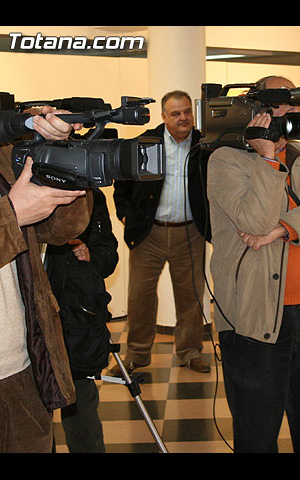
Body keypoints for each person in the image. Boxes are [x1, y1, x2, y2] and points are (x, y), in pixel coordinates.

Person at [207, 75, 300, 453]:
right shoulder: (225, 160)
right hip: (254, 318)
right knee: (257, 430)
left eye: (296, 102)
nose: (295, 110)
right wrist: (267, 158)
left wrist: (283, 229)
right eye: (285, 102)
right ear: (259, 110)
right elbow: (254, 222)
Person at [0, 107, 92, 453]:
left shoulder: (4, 154)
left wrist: (59, 154)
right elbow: (14, 217)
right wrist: (11, 215)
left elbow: (61, 230)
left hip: (22, 363)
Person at [112, 90, 211, 375]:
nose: (183, 118)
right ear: (164, 117)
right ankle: (137, 354)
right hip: (149, 235)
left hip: (190, 234)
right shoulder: (144, 143)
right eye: (176, 113)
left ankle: (190, 352)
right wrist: (126, 216)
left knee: (191, 297)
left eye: (187, 112)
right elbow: (122, 183)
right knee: (140, 297)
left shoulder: (205, 146)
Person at [46, 187, 118, 453]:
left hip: (76, 322)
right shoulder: (22, 193)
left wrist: (91, 258)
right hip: (29, 319)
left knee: (81, 408)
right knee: (32, 420)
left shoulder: (90, 196)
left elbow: (108, 253)